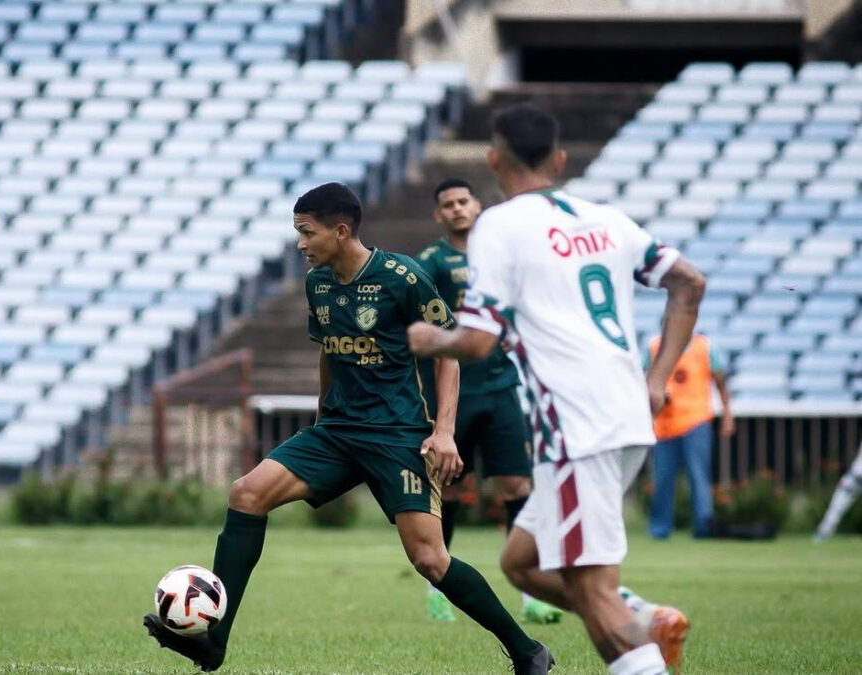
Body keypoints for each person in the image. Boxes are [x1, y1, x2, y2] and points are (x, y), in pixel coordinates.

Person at [144, 182, 554, 674]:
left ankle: (528, 651)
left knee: (430, 559)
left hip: (396, 434)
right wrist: (321, 420)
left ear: (341, 231)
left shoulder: (405, 277)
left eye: (306, 232)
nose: (299, 244)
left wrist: (443, 432)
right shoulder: (317, 283)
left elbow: (449, 355)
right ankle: (214, 643)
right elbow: (328, 350)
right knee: (246, 494)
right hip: (336, 431)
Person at [407, 103, 703, 675]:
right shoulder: (607, 219)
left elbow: (476, 342)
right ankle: (644, 616)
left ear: (492, 159)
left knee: (592, 592)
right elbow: (689, 281)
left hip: (577, 427)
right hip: (624, 416)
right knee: (522, 562)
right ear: (560, 159)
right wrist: (657, 379)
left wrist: (427, 339)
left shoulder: (500, 224)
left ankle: (639, 633)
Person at [416, 177, 562, 625]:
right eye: (449, 205)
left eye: (464, 200)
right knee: (454, 487)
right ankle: (438, 585)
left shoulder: (501, 255)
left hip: (501, 388)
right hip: (456, 394)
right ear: (439, 215)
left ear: (477, 204)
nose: (458, 209)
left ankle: (531, 593)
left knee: (517, 485)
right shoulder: (431, 263)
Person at [643, 332, 735, 539]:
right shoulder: (653, 346)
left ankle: (704, 527)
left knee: (698, 477)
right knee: (662, 479)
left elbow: (720, 381)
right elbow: (642, 379)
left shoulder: (705, 347)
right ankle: (659, 530)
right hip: (665, 424)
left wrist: (727, 413)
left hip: (696, 421)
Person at [814, 441, 862, 541]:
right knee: (837, 505)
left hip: (855, 476)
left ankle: (823, 532)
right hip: (856, 477)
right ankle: (823, 532)